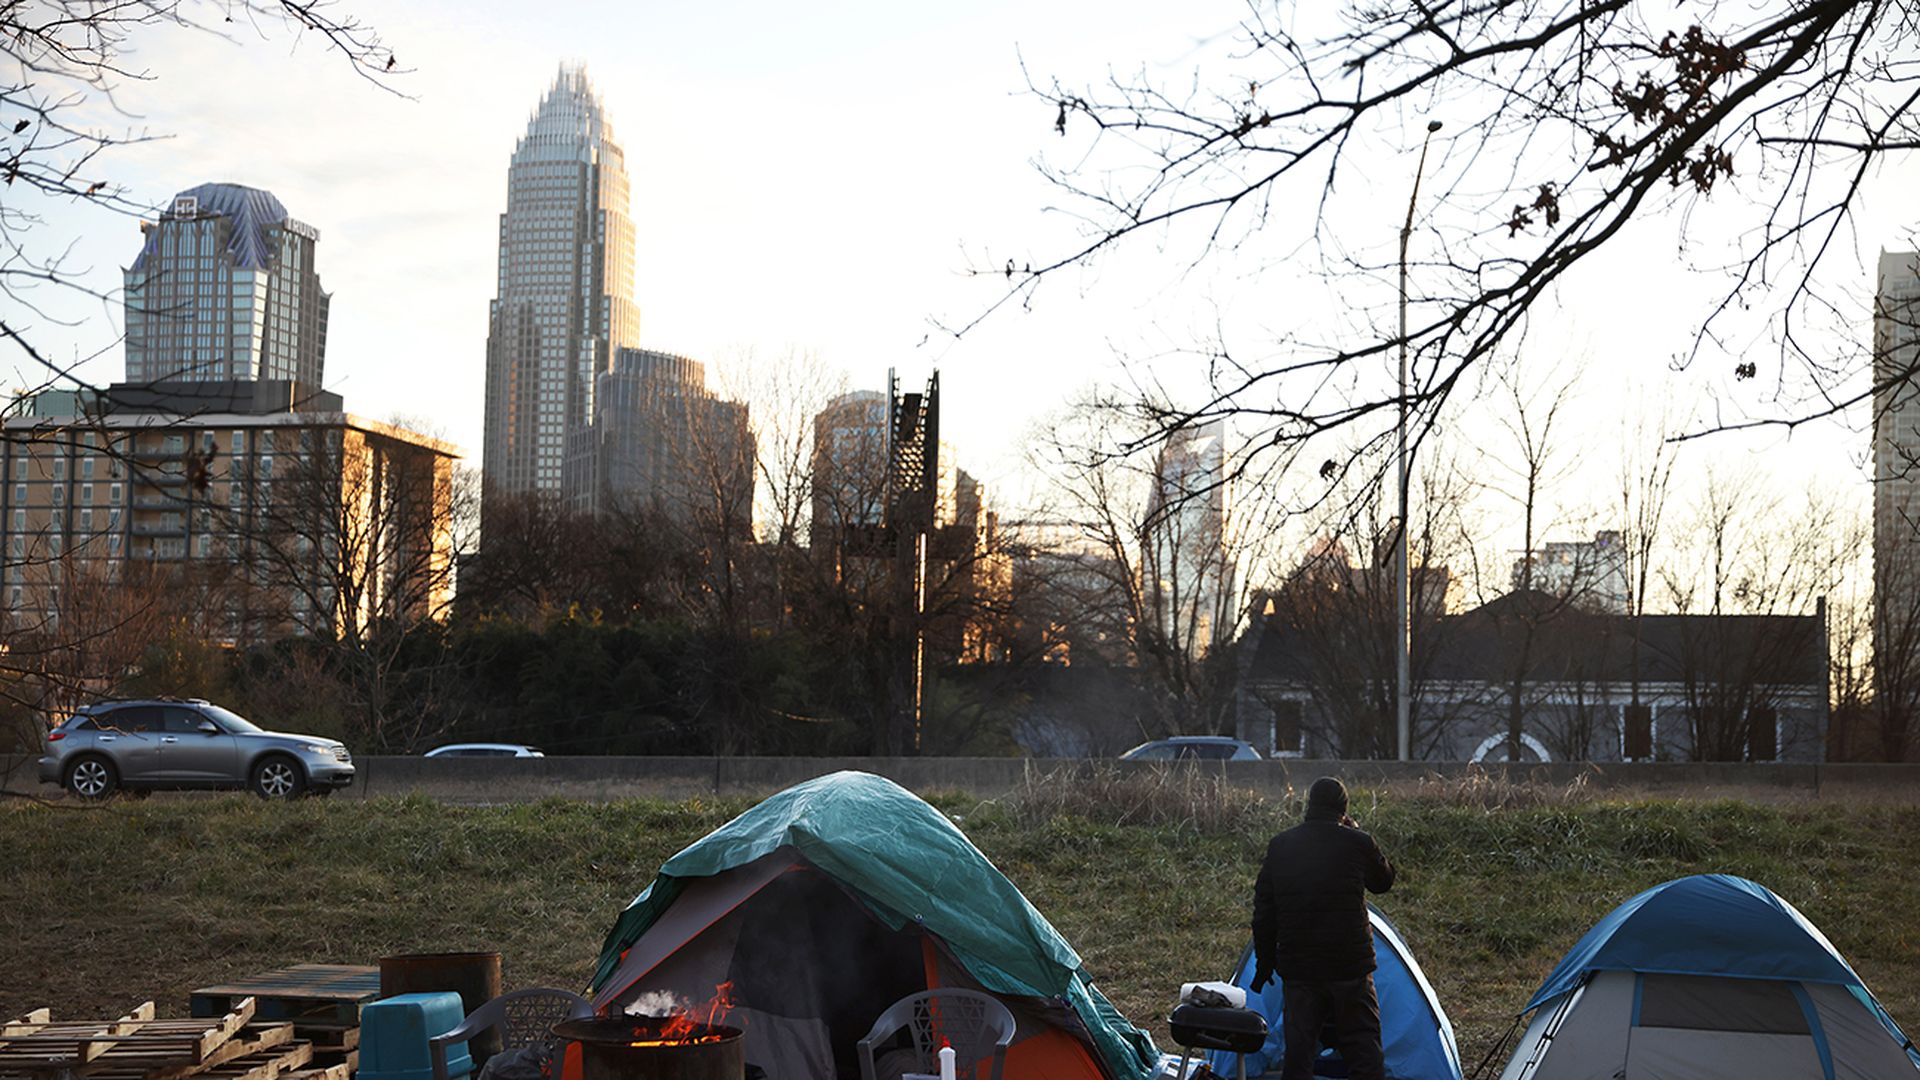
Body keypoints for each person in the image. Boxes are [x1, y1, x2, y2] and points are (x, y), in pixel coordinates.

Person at [1249, 776, 1396, 1080]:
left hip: (1300, 969)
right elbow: (1383, 882)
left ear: (1310, 805)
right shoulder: (1358, 842)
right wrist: (1356, 833)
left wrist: (1265, 963)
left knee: (1299, 1055)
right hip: (1350, 967)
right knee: (1364, 1050)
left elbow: (1264, 912)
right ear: (1343, 808)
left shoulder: (1281, 846)